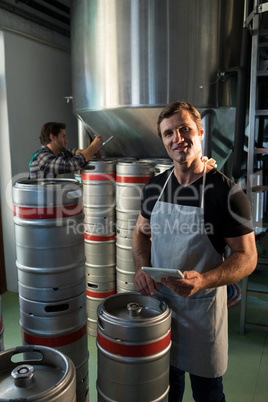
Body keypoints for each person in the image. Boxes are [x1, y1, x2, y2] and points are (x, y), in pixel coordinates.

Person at [132, 101, 257, 402]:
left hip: (203, 311)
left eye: (185, 129)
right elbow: (139, 232)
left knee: (208, 393)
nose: (178, 138)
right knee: (168, 388)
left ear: (200, 132)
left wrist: (202, 281)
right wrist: (141, 267)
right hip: (162, 310)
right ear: (163, 141)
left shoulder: (227, 193)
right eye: (168, 133)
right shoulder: (155, 187)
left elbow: (247, 257)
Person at [29, 122, 104, 179]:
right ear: (52, 137)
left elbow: (72, 152)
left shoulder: (55, 154)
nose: (66, 141)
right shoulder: (42, 157)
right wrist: (93, 147)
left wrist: (92, 153)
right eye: (63, 137)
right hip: (43, 199)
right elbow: (72, 164)